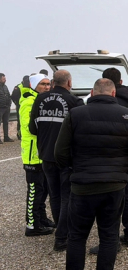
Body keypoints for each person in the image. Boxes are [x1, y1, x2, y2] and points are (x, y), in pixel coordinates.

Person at [55, 78, 128, 270]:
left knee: (77, 236)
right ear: (113, 93)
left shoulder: (75, 114)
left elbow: (60, 152)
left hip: (82, 187)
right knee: (109, 236)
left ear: (92, 92)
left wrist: (74, 169)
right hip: (114, 186)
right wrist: (126, 170)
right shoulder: (127, 115)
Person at [87, 68, 128, 254]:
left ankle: (111, 242)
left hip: (106, 158)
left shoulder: (98, 104)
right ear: (120, 81)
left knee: (108, 200)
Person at [29, 70, 84, 251]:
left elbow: (33, 128)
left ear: (53, 82)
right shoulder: (74, 101)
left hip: (45, 155)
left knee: (54, 195)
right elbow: (79, 132)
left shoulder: (40, 99)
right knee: (67, 196)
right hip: (66, 157)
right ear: (69, 82)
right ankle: (62, 236)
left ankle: (61, 232)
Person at [20, 73, 54, 236]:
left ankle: (41, 218)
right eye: (43, 84)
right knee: (34, 190)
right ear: (34, 86)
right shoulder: (28, 102)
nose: (47, 87)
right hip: (32, 154)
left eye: (48, 84)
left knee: (44, 189)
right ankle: (32, 225)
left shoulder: (43, 101)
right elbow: (28, 127)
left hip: (42, 153)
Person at [11, 75, 30, 140]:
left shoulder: (30, 86)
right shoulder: (18, 87)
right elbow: (13, 97)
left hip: (27, 106)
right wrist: (17, 104)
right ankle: (19, 134)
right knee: (20, 121)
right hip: (20, 106)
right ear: (23, 81)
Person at [0, 73, 13, 143]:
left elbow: (8, 95)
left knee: (6, 123)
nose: (5, 80)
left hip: (6, 108)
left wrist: (9, 104)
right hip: (0, 108)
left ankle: (6, 137)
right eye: (3, 78)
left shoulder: (5, 87)